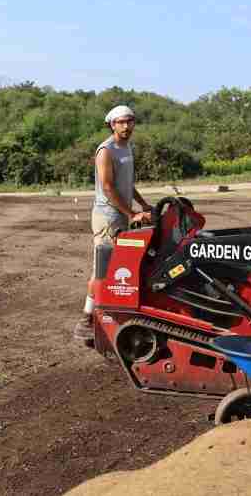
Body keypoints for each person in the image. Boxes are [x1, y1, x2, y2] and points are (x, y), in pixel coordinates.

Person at [73, 105, 152, 341]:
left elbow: (127, 184)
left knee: (118, 265)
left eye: (130, 121)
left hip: (120, 214)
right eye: (121, 122)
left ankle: (110, 313)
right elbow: (107, 187)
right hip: (107, 217)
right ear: (112, 124)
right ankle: (86, 320)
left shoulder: (126, 148)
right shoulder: (106, 151)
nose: (126, 126)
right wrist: (132, 213)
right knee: (102, 268)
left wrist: (143, 204)